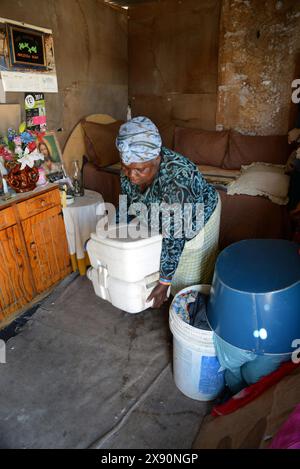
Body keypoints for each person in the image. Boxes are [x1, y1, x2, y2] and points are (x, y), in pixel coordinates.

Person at [115, 116, 221, 308]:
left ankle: (185, 305)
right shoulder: (130, 170)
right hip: (165, 215)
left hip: (197, 216)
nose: (131, 176)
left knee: (186, 278)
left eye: (140, 170)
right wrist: (115, 232)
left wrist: (164, 282)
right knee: (160, 254)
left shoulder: (179, 179)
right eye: (125, 168)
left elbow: (176, 235)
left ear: (157, 159)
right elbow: (126, 202)